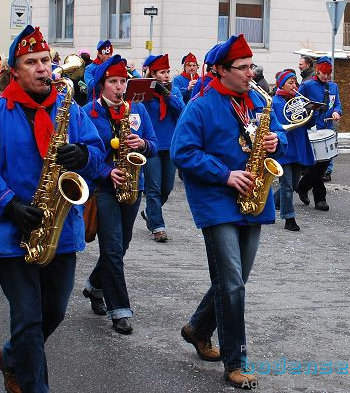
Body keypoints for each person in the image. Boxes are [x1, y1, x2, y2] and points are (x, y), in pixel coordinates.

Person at [0, 25, 105, 393]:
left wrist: (84, 154)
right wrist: (8, 204)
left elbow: (97, 151)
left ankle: (11, 356)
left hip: (60, 230)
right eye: (32, 62)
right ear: (15, 71)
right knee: (27, 318)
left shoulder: (69, 110)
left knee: (54, 312)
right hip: (12, 232)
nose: (44, 68)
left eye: (45, 60)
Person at [170, 34, 286, 390]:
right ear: (220, 70)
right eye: (243, 67)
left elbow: (275, 132)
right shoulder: (201, 105)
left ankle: (198, 328)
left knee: (233, 280)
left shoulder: (254, 99)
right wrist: (224, 173)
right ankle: (235, 362)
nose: (251, 73)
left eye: (252, 66)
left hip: (254, 197)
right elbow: (181, 151)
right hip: (217, 201)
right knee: (232, 281)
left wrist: (274, 140)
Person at [80, 55, 157, 333]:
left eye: (123, 81)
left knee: (120, 247)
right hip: (103, 189)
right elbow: (84, 155)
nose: (119, 87)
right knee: (112, 249)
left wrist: (143, 143)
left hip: (131, 186)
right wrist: (104, 172)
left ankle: (94, 286)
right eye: (113, 81)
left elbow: (155, 144)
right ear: (102, 85)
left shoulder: (136, 109)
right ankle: (120, 310)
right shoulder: (88, 113)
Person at [139, 54, 183, 243]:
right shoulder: (145, 94)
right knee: (153, 188)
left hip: (170, 144)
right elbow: (135, 111)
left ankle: (150, 212)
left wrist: (167, 95)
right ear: (153, 74)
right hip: (151, 146)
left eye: (167, 72)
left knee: (167, 187)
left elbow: (182, 111)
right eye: (161, 73)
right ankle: (158, 226)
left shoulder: (174, 91)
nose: (166, 76)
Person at [295, 56, 342, 211]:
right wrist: (310, 110)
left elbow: (337, 104)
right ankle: (320, 198)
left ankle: (302, 186)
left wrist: (336, 112)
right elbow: (297, 103)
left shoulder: (333, 87)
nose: (326, 77)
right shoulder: (307, 85)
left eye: (329, 74)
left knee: (323, 165)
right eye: (324, 73)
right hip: (312, 129)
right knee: (314, 166)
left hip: (328, 130)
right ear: (317, 71)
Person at [271, 69, 313, 232]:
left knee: (294, 183)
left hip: (298, 147)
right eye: (290, 83)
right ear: (282, 84)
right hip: (283, 148)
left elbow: (307, 124)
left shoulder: (299, 100)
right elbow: (275, 124)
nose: (294, 86)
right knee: (287, 185)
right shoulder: (274, 102)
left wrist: (312, 111)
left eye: (295, 83)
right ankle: (289, 218)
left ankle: (273, 202)